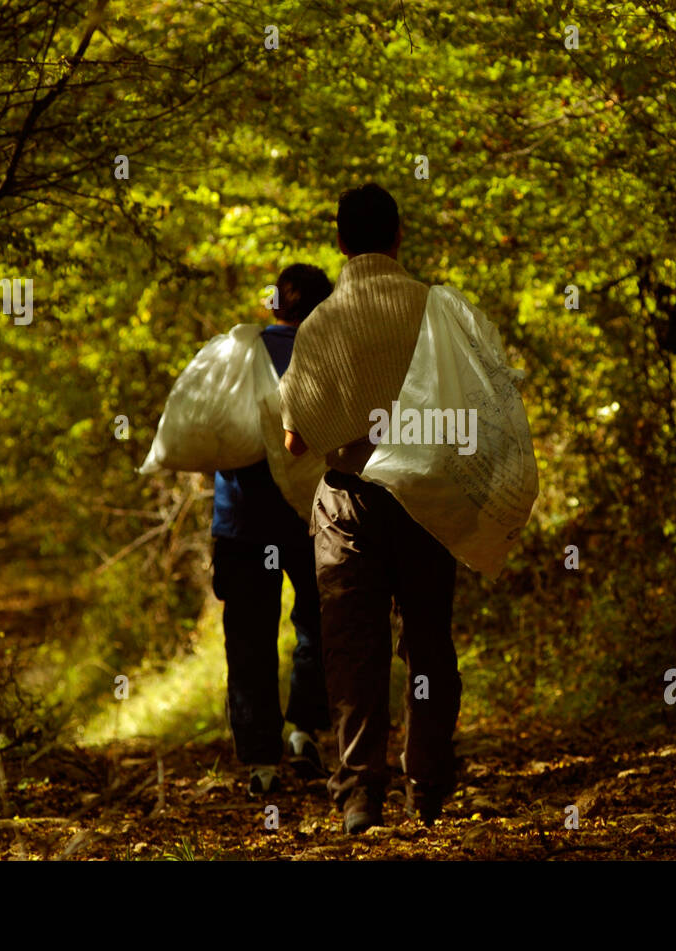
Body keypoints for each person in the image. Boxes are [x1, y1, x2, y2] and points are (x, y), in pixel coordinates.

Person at [279, 184, 461, 833]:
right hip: (423, 495)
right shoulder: (436, 310)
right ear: (398, 236)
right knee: (428, 643)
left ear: (339, 243)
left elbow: (297, 436)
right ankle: (428, 781)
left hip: (349, 500)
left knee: (353, 648)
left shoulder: (324, 320)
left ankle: (361, 792)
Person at [211, 263, 334, 797]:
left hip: (240, 521)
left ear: (282, 298)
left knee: (249, 639)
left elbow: (208, 431)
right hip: (310, 518)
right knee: (319, 623)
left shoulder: (238, 353)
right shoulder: (329, 356)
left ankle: (260, 761)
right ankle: (304, 730)